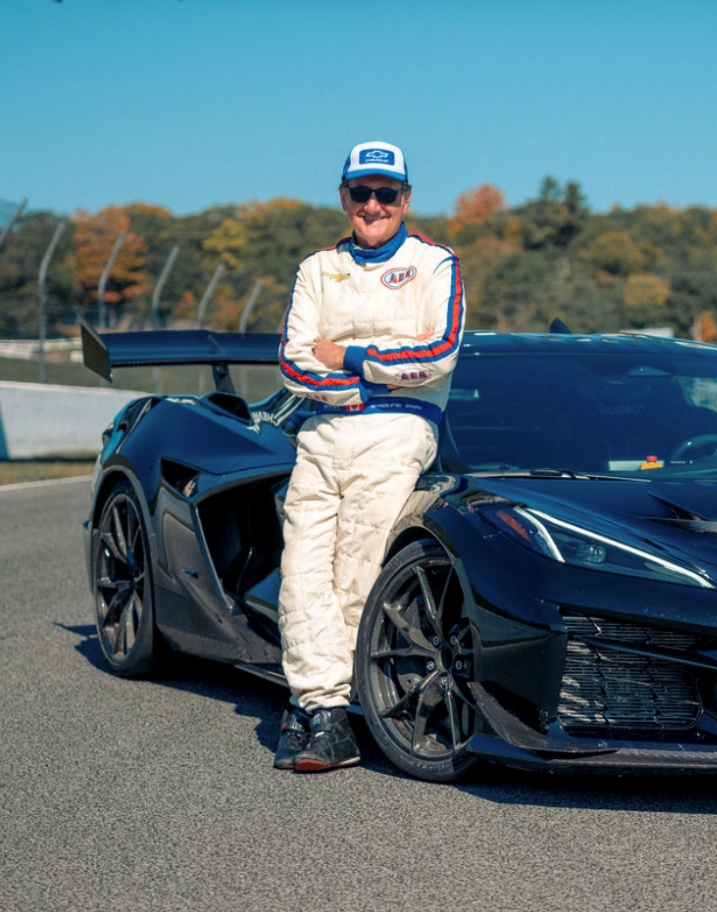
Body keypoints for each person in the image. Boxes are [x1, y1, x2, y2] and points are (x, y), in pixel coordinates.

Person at [273, 140, 465, 772]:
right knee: (302, 574)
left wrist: (352, 357)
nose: (374, 204)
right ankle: (320, 708)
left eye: (387, 193)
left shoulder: (436, 263)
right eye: (362, 193)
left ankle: (336, 712)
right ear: (344, 198)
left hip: (399, 433)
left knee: (357, 573)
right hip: (323, 430)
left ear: (406, 199)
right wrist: (367, 379)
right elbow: (294, 359)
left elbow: (437, 353)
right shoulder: (315, 268)